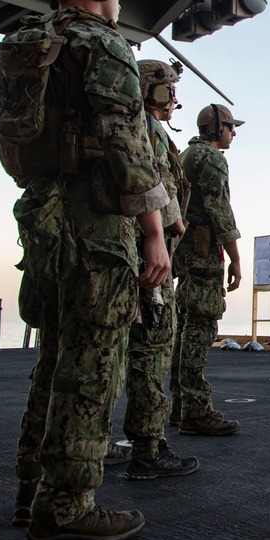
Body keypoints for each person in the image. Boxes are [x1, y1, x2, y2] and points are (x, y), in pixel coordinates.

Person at [0, 0, 171, 540]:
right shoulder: (103, 45)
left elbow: (13, 148)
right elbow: (129, 149)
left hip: (43, 219)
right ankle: (67, 508)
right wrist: (154, 233)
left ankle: (31, 490)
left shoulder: (28, 44)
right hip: (97, 225)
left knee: (53, 359)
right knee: (93, 366)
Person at [117, 59, 198, 479]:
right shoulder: (143, 130)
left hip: (140, 251)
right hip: (147, 257)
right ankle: (148, 449)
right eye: (169, 89)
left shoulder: (149, 131)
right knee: (152, 346)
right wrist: (166, 227)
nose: (174, 99)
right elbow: (149, 184)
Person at [169, 104, 244, 435]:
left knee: (185, 328)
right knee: (200, 327)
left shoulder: (185, 155)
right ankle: (196, 411)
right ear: (215, 128)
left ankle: (180, 406)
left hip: (184, 252)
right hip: (202, 252)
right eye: (229, 126)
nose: (233, 133)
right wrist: (235, 258)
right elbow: (220, 210)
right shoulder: (211, 158)